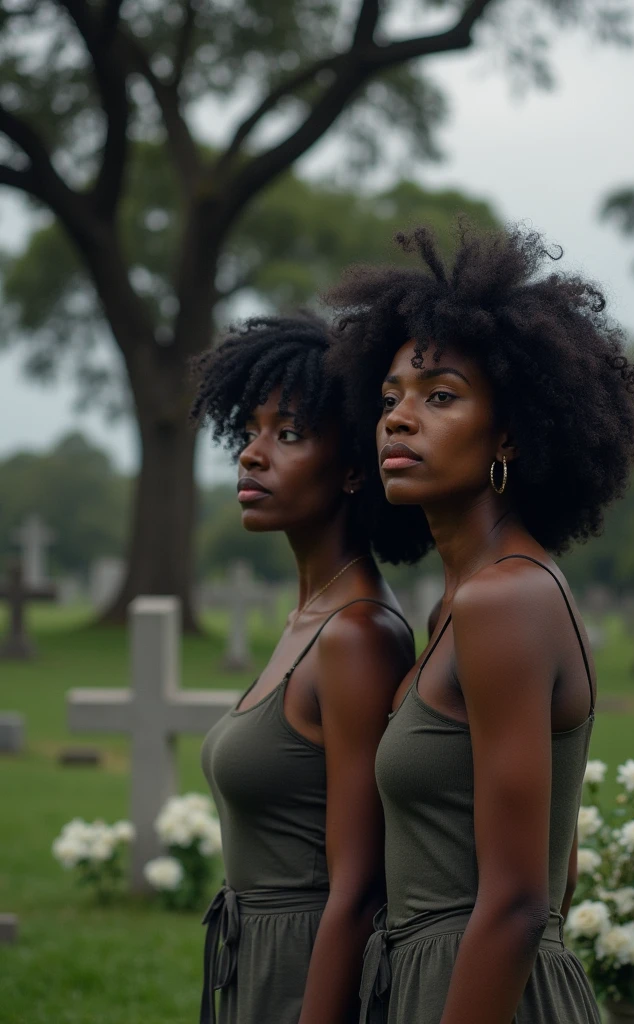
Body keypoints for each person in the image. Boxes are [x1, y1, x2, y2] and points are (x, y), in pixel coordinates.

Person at [326, 224, 634, 1024]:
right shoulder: (463, 601)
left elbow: (517, 903)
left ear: (509, 434)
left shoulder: (505, 600)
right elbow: (561, 858)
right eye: (390, 397)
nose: (400, 418)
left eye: (440, 396)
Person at [189, 313, 427, 1024]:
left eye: (287, 435)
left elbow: (358, 886)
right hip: (253, 965)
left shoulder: (357, 635)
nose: (252, 456)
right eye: (252, 432)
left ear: (355, 467)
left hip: (307, 978)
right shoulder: (309, 620)